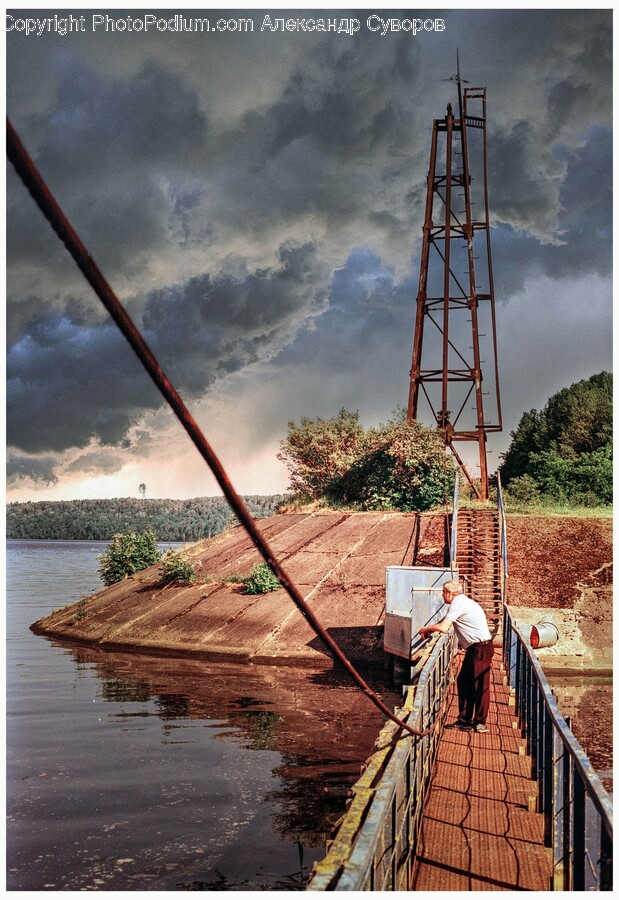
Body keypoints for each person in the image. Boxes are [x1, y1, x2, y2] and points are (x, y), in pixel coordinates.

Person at [418, 579, 493, 733]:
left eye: (443, 593)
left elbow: (444, 627)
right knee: (464, 681)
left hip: (480, 648)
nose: (442, 596)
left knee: (480, 685)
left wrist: (426, 628)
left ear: (450, 594)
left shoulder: (458, 603)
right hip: (475, 648)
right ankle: (464, 721)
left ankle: (479, 723)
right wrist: (431, 630)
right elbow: (445, 621)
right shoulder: (461, 602)